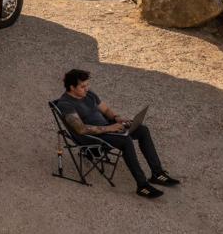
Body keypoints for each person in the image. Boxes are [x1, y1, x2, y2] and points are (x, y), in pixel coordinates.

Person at [55, 68, 181, 199]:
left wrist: (117, 118)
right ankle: (142, 185)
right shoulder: (66, 104)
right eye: (83, 86)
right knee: (125, 141)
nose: (87, 88)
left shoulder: (89, 94)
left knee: (142, 130)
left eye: (87, 85)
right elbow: (81, 129)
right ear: (71, 87)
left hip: (107, 127)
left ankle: (157, 173)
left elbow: (106, 109)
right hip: (91, 137)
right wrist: (110, 128)